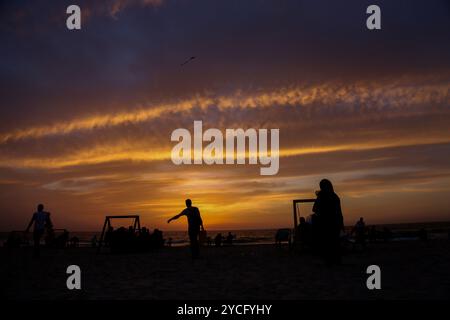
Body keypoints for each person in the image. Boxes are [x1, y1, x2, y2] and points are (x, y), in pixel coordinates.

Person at [312, 179, 344, 265]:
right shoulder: (334, 196)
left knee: (328, 243)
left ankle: (330, 261)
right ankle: (335, 260)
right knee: (333, 242)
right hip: (333, 223)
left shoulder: (322, 197)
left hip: (327, 223)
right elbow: (339, 212)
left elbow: (314, 209)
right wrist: (341, 224)